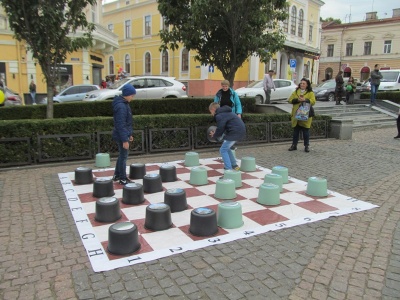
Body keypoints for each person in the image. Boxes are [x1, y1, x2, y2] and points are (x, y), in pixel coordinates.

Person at [208, 102, 246, 171]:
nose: (211, 114)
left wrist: (215, 136)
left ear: (213, 109)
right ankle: (234, 165)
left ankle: (228, 169)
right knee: (227, 148)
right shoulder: (226, 113)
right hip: (239, 131)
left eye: (211, 111)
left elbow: (221, 128)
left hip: (234, 132)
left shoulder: (219, 115)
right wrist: (217, 134)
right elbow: (225, 127)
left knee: (223, 150)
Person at [112, 84, 136, 185]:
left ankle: (117, 175)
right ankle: (122, 178)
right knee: (124, 156)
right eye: (132, 95)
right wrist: (125, 140)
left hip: (123, 134)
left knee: (122, 155)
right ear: (126, 94)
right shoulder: (121, 106)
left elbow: (127, 122)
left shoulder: (124, 103)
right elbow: (121, 125)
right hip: (121, 135)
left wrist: (129, 134)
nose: (132, 97)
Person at [288, 78, 316, 153]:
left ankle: (306, 146)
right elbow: (290, 100)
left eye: (304, 83)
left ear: (307, 85)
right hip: (296, 114)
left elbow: (313, 102)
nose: (302, 85)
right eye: (301, 83)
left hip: (305, 114)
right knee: (295, 131)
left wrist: (305, 100)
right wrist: (297, 100)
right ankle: (294, 145)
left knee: (306, 131)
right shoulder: (296, 91)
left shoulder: (310, 93)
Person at [213, 79, 243, 150]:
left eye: (226, 86)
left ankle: (229, 144)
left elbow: (238, 104)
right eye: (223, 86)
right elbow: (215, 103)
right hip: (222, 114)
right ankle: (224, 144)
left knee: (230, 129)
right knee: (223, 128)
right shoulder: (219, 94)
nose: (224, 88)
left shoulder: (233, 93)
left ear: (228, 86)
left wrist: (239, 113)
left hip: (231, 113)